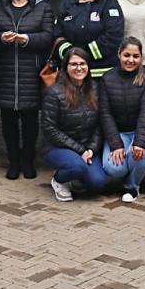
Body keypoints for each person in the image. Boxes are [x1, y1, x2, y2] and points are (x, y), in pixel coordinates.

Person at [0, 0, 55, 179]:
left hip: (32, 73)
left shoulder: (42, 6)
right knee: (7, 121)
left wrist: (26, 39)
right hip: (5, 72)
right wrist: (1, 38)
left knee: (30, 122)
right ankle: (13, 162)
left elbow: (48, 37)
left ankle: (28, 161)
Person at [40, 48, 108, 201]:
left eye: (82, 64)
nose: (78, 68)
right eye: (73, 64)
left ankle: (76, 176)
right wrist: (80, 150)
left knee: (98, 182)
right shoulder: (54, 92)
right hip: (58, 147)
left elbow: (100, 124)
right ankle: (58, 181)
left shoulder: (96, 89)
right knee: (76, 167)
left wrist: (91, 148)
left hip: (86, 146)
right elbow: (49, 128)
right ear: (66, 68)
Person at [99, 38, 145, 201]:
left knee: (139, 155)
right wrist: (116, 145)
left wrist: (139, 142)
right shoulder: (107, 78)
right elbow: (105, 113)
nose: (131, 60)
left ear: (141, 58)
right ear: (119, 55)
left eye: (135, 56)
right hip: (119, 133)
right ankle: (137, 169)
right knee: (113, 168)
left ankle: (132, 187)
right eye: (126, 55)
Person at [56, 0, 124, 79]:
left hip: (103, 76)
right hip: (72, 75)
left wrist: (82, 55)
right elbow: (57, 34)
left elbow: (113, 36)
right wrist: (70, 54)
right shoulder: (67, 4)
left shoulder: (109, 3)